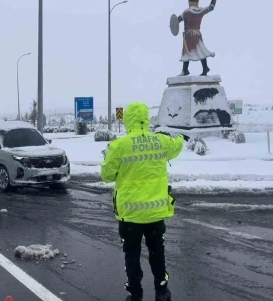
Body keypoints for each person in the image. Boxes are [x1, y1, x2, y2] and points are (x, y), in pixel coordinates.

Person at [101, 102, 188, 301]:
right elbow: (176, 146)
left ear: (128, 119)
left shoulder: (119, 146)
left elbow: (106, 175)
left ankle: (135, 293)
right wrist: (182, 138)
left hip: (130, 214)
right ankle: (162, 291)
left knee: (131, 253)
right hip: (156, 213)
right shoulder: (161, 142)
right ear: (147, 119)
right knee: (157, 251)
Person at [178, 0, 217, 76]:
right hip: (197, 34)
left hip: (188, 35)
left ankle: (186, 70)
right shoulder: (200, 11)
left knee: (187, 52)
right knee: (200, 50)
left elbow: (177, 20)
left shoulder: (186, 12)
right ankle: (202, 68)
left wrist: (174, 23)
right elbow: (211, 8)